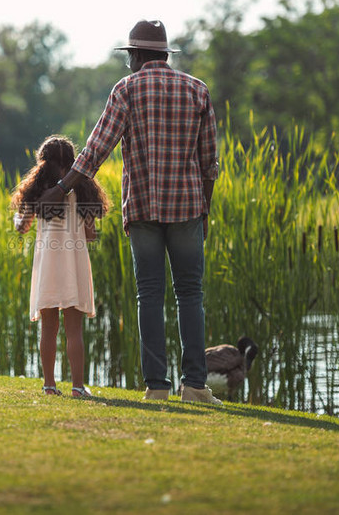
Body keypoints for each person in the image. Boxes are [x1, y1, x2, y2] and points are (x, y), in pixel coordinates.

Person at [37, 20, 222, 404]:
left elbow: (95, 149)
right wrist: (204, 210)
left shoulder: (127, 89)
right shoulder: (197, 90)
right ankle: (195, 386)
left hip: (142, 208)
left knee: (149, 295)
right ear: (164, 54)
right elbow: (209, 164)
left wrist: (59, 188)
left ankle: (157, 387)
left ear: (136, 55)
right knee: (190, 295)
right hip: (188, 206)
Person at [11, 135, 111, 398]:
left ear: (43, 162)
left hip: (47, 266)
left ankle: (49, 386)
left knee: (49, 329)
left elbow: (22, 228)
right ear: (72, 161)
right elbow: (90, 236)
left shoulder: (37, 191)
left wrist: (16, 217)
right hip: (74, 265)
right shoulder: (84, 189)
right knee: (74, 330)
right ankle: (78, 387)